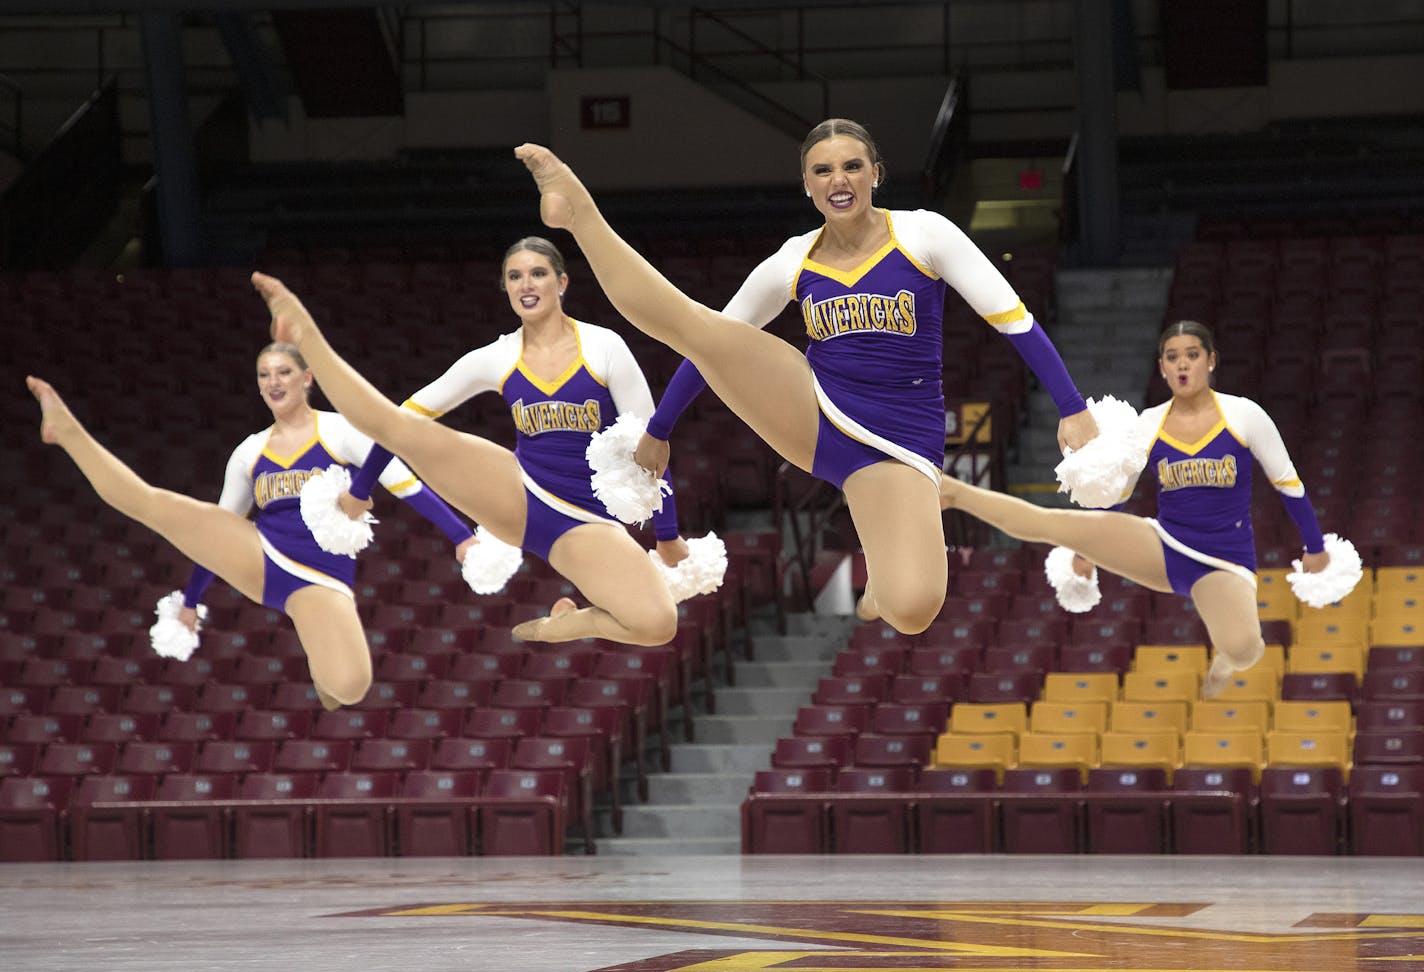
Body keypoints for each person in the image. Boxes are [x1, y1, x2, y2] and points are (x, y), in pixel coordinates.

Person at [514, 121, 1097, 636]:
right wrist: (660, 430)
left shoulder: (925, 234)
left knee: (915, 609)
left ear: (876, 174)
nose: (837, 179)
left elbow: (1012, 319)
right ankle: (579, 212)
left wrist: (1071, 406)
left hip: (898, 445)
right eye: (822, 170)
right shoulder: (793, 258)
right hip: (814, 408)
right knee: (691, 323)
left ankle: (878, 595)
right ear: (807, 185)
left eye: (851, 166)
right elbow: (713, 347)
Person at [250, 236, 686, 648]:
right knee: (401, 424)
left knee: (658, 625)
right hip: (519, 492)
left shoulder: (604, 346)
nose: (526, 284)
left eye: (537, 273)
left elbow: (650, 451)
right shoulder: (495, 356)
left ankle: (570, 625)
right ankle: (305, 332)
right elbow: (404, 417)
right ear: (506, 288)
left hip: (588, 523)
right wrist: (359, 490)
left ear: (562, 282)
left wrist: (667, 535)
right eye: (515, 276)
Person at [25, 342, 477, 711]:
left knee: (350, 687)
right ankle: (66, 430)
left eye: (283, 372)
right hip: (260, 555)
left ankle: (322, 667)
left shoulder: (340, 431)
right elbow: (217, 533)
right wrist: (190, 601)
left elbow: (405, 485)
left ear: (306, 378)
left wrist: (461, 536)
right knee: (155, 505)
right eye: (264, 375)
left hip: (319, 579)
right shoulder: (249, 451)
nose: (273, 382)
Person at [936, 320, 1330, 696]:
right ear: (1161, 367)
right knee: (1051, 523)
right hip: (1163, 544)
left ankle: (1224, 662)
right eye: (1172, 357)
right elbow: (1120, 490)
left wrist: (1315, 547)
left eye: (1192, 355)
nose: (1182, 364)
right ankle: (954, 491)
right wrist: (1086, 548)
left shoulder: (1245, 414)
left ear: (1211, 361)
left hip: (1223, 560)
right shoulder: (1149, 422)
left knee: (1245, 650)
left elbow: (1288, 484)